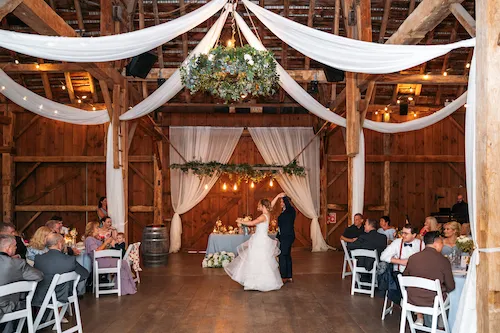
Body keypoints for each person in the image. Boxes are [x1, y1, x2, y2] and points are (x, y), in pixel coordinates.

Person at [224, 199, 283, 292]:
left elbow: (252, 223)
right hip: (260, 240)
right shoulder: (267, 214)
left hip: (259, 241)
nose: (257, 206)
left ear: (263, 206)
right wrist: (278, 196)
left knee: (256, 260)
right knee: (260, 260)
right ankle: (256, 282)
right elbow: (271, 204)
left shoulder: (263, 216)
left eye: (259, 205)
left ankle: (258, 283)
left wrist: (241, 221)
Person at [403, 231, 455, 327]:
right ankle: (441, 326)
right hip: (433, 301)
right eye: (441, 243)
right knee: (452, 297)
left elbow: (405, 277)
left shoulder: (413, 258)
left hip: (412, 299)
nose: (442, 246)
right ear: (436, 243)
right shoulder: (443, 260)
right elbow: (451, 286)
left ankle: (423, 320)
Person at [32, 233, 89, 306]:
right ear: (59, 244)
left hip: (40, 296)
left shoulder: (38, 258)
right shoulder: (69, 260)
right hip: (62, 296)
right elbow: (85, 274)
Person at [0, 235, 43, 327]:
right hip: (6, 306)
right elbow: (39, 276)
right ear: (8, 248)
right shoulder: (18, 264)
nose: (16, 248)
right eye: (15, 246)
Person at [84, 222, 136, 295]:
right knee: (123, 263)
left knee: (122, 265)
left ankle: (124, 288)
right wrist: (105, 243)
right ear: (91, 230)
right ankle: (127, 287)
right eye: (97, 227)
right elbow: (96, 251)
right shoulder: (89, 239)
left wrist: (106, 244)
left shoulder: (94, 239)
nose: (99, 229)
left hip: (103, 260)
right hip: (99, 262)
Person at [271, 192, 296, 284]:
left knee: (282, 255)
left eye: (282, 202)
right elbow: (281, 227)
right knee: (287, 255)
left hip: (288, 236)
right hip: (283, 236)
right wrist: (278, 236)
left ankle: (283, 276)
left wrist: (283, 196)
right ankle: (289, 276)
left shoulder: (291, 210)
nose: (281, 203)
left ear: (286, 202)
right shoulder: (284, 212)